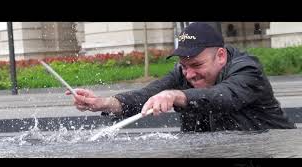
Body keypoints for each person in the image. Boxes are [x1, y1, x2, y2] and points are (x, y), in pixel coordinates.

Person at [66, 22, 296, 132]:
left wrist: (176, 95)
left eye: (196, 65)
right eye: (184, 66)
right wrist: (104, 103)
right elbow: (147, 95)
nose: (189, 74)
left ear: (221, 56)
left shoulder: (247, 70)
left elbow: (224, 97)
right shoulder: (183, 71)